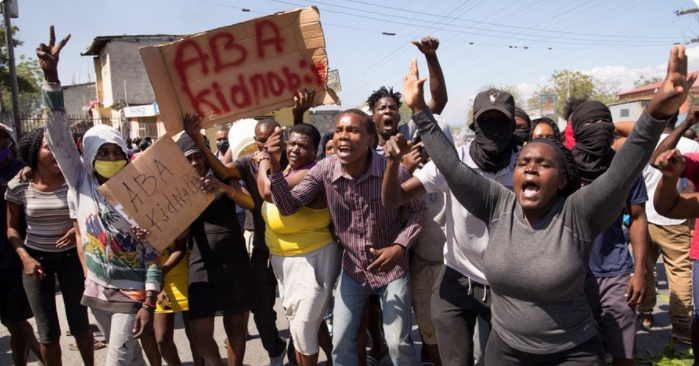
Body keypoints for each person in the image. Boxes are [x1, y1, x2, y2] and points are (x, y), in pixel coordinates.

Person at [399, 45, 690, 364]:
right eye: (524, 162)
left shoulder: (579, 212)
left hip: (572, 353)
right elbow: (452, 167)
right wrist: (418, 111)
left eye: (543, 163)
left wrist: (657, 114)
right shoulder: (497, 204)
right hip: (506, 351)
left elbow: (624, 169)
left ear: (563, 179)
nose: (531, 167)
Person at [265, 108, 426, 366]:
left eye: (352, 130)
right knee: (341, 344)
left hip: (393, 270)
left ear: (370, 139)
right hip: (353, 271)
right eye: (339, 130)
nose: (342, 136)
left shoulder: (391, 168)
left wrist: (399, 246)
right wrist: (275, 165)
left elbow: (419, 210)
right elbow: (288, 207)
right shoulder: (324, 170)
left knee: (398, 344)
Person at [39, 26, 160, 366]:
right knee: (131, 358)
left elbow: (154, 250)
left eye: (114, 151)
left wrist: (149, 301)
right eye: (101, 153)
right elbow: (60, 136)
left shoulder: (142, 189)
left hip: (133, 289)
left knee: (116, 361)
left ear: (125, 151)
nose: (109, 158)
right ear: (89, 156)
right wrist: (51, 79)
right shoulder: (80, 181)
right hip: (96, 290)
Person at [382, 89, 516, 366]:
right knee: (454, 360)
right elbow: (393, 199)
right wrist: (393, 163)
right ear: (474, 127)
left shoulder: (527, 165)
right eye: (486, 121)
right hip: (457, 278)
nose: (493, 129)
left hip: (506, 284)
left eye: (501, 121)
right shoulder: (452, 164)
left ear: (513, 126)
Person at [185, 92, 314, 366]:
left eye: (270, 138)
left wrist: (298, 115)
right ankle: (275, 349)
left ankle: (296, 355)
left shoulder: (292, 160)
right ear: (255, 142)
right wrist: (199, 141)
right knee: (261, 309)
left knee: (299, 310)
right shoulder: (247, 164)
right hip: (263, 248)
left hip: (297, 248)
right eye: (260, 140)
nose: (265, 144)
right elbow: (220, 168)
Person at [569, 101, 648, 366]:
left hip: (617, 272)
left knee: (624, 352)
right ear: (577, 130)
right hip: (572, 274)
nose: (598, 129)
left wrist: (640, 272)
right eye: (590, 124)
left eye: (603, 122)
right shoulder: (562, 168)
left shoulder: (624, 168)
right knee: (581, 352)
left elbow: (637, 217)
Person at [6, 128, 93, 366]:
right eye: (49, 147)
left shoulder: (76, 179)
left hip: (73, 260)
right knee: (47, 333)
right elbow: (12, 229)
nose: (57, 152)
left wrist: (76, 229)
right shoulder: (18, 184)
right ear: (35, 152)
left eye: (60, 147)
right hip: (36, 262)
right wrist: (25, 258)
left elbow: (92, 213)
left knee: (80, 326)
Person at [256, 123, 340, 366]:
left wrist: (265, 161)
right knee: (303, 321)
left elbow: (268, 191)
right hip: (284, 261)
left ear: (315, 152)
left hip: (311, 258)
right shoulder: (287, 171)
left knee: (303, 326)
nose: (295, 149)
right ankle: (336, 358)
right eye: (291, 143)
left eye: (303, 146)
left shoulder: (312, 172)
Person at [176, 130, 255, 366]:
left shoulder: (222, 176)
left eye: (198, 157)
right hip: (200, 263)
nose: (195, 162)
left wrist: (222, 187)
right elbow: (178, 235)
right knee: (199, 335)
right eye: (188, 158)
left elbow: (249, 202)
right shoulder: (177, 191)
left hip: (234, 259)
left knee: (236, 328)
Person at [637, 108, 699, 340]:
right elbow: (692, 188)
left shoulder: (644, 143)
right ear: (677, 120)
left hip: (645, 216)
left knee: (645, 269)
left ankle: (645, 314)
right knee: (680, 273)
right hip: (675, 220)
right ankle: (682, 328)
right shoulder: (691, 146)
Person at [0, 123, 43, 366]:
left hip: (18, 259)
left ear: (10, 143)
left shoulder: (23, 174)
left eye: (1, 138)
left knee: (16, 323)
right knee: (9, 321)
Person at [139, 235, 204, 366]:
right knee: (162, 339)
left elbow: (180, 247)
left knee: (194, 334)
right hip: (154, 279)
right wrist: (155, 285)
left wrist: (161, 274)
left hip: (181, 275)